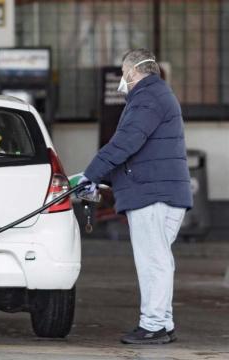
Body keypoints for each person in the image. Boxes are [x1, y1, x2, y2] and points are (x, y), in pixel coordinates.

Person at [79, 49, 193, 345]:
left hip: (151, 192)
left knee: (152, 259)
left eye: (122, 74)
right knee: (159, 258)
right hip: (162, 190)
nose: (121, 80)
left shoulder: (147, 98)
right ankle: (162, 322)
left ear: (132, 71)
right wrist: (100, 177)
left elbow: (126, 142)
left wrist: (91, 173)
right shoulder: (157, 95)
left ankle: (153, 325)